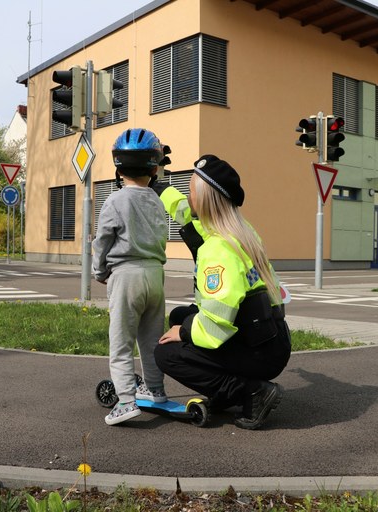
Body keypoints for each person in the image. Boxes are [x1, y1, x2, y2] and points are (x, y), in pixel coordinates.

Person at [152, 155, 291, 430]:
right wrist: (159, 187)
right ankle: (231, 388)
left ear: (204, 201)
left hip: (259, 351)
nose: (188, 199)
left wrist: (182, 332)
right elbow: (183, 210)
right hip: (269, 338)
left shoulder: (217, 250)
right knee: (181, 314)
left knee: (166, 354)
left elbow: (216, 325)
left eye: (191, 192)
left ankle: (252, 392)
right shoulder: (239, 230)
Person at [92, 128, 169, 425]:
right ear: (154, 167)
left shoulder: (115, 200)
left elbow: (103, 241)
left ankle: (125, 401)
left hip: (126, 275)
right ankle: (155, 389)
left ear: (118, 167)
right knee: (150, 340)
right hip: (155, 274)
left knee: (121, 342)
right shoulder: (157, 200)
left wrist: (100, 271)